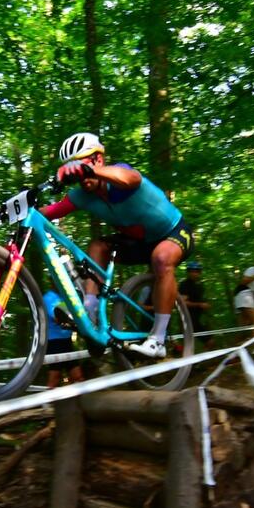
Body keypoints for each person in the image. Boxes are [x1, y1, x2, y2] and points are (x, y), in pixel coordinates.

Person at [41, 132, 193, 359]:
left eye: (81, 166)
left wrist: (88, 170)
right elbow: (48, 213)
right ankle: (89, 312)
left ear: (99, 160)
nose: (81, 177)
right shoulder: (84, 195)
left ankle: (159, 339)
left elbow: (131, 178)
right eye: (75, 172)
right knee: (97, 246)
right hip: (139, 243)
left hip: (173, 232)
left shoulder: (119, 175)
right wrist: (15, 210)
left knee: (161, 258)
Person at [42, 289, 85, 388]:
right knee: (55, 377)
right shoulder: (49, 297)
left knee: (78, 377)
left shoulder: (68, 294)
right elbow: (58, 317)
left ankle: (77, 402)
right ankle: (46, 403)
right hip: (54, 342)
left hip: (67, 341)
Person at [178, 260, 211, 348]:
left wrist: (205, 304)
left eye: (196, 271)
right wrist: (199, 305)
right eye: (192, 271)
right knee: (189, 344)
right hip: (188, 319)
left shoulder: (200, 285)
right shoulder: (184, 284)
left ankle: (208, 359)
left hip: (199, 318)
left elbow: (201, 300)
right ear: (188, 272)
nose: (194, 273)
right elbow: (182, 303)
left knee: (210, 341)